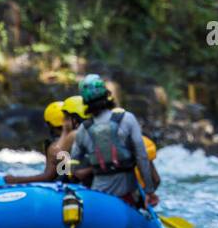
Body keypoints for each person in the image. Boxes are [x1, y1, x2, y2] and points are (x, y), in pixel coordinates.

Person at [62, 74, 156, 207]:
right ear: (107, 95)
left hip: (98, 194)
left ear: (85, 103)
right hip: (127, 193)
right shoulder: (128, 119)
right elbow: (142, 157)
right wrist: (149, 191)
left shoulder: (83, 129)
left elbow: (72, 166)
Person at [4, 101, 75, 185]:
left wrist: (16, 180)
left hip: (63, 187)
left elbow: (48, 177)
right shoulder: (80, 136)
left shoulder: (54, 147)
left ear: (50, 125)